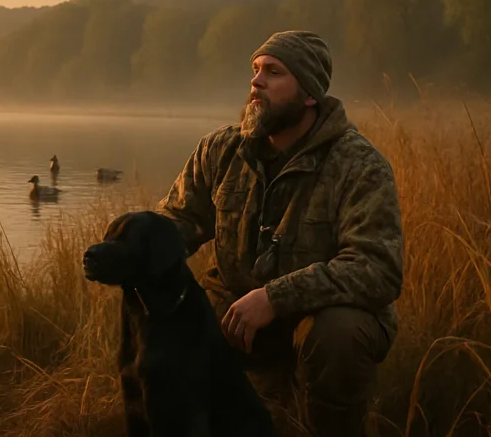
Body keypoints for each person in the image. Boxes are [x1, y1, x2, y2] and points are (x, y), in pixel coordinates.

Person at [158, 30, 404, 437]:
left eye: (273, 72)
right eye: (255, 70)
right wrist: (132, 246)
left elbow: (377, 267)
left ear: (309, 94)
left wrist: (275, 297)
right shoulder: (222, 150)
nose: (256, 81)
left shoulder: (358, 163)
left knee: (339, 334)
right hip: (237, 309)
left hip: (316, 318)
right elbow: (177, 221)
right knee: (173, 319)